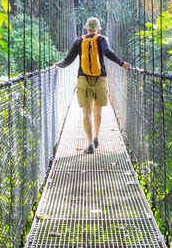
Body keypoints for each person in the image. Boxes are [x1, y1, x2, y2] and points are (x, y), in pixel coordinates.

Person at [56, 17, 132, 154]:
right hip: (100, 78)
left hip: (83, 79)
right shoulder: (102, 39)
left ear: (86, 28)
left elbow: (68, 60)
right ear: (98, 28)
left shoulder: (79, 41)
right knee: (98, 110)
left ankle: (90, 143)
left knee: (86, 112)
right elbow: (108, 52)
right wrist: (121, 63)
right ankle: (96, 137)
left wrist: (58, 65)